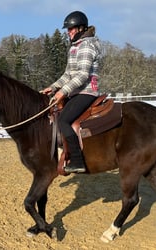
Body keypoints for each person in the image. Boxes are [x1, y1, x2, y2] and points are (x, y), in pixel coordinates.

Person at [41, 11, 101, 173]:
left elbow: (82, 75)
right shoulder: (75, 47)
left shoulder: (87, 46)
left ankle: (77, 160)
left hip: (87, 91)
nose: (69, 32)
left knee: (64, 121)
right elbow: (68, 75)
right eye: (68, 30)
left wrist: (62, 92)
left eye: (72, 29)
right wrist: (53, 87)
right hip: (76, 92)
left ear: (82, 28)